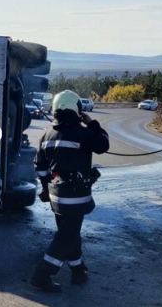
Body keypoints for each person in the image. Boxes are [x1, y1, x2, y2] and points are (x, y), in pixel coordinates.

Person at [30, 90, 109, 292]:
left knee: (70, 234)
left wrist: (48, 185)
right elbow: (103, 144)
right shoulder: (83, 133)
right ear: (77, 110)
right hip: (75, 196)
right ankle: (42, 275)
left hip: (56, 196)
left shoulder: (47, 134)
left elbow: (39, 166)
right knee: (67, 236)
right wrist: (92, 123)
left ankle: (78, 272)